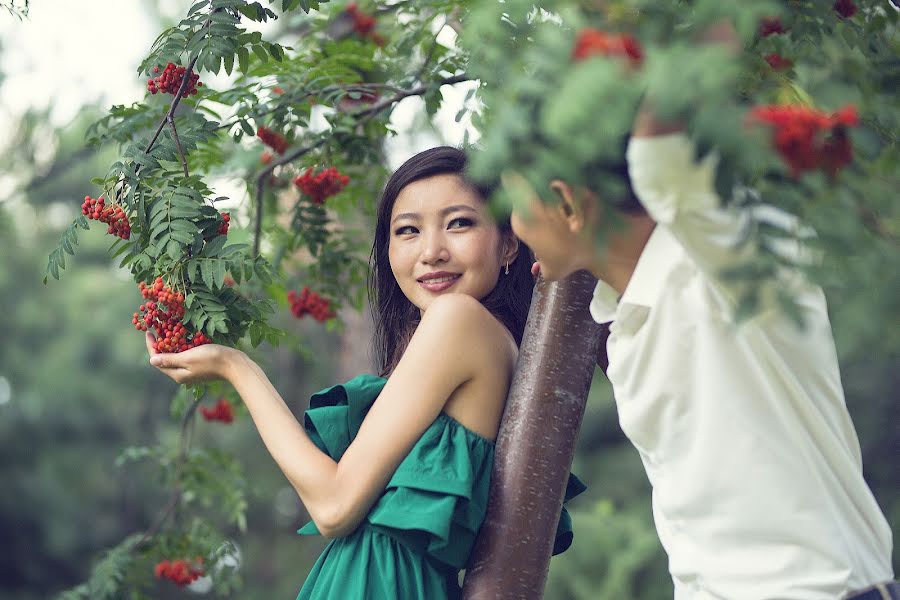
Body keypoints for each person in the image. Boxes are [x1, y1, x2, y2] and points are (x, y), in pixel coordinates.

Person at [145, 146, 581, 599]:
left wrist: (234, 366)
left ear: (508, 241)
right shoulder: (488, 340)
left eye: (459, 223)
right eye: (408, 230)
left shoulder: (459, 321)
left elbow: (333, 505)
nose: (431, 252)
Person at [506, 99, 896, 598]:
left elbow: (661, 155)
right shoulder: (625, 319)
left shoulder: (723, 265)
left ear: (567, 204)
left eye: (514, 203)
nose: (512, 225)